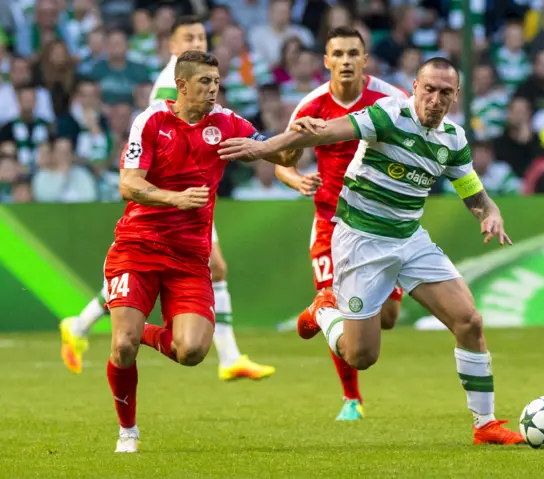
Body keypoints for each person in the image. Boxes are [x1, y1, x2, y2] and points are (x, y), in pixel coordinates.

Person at [219, 57, 526, 445]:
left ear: (456, 96)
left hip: (410, 239)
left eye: (445, 92)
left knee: (470, 322)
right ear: (414, 87)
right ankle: (323, 310)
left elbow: (475, 195)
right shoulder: (387, 116)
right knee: (360, 356)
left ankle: (485, 425)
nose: (435, 99)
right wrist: (260, 148)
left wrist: (491, 214)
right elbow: (321, 133)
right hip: (361, 242)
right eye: (428, 89)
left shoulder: (453, 139)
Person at [59, 16, 275, 381]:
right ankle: (228, 355)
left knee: (202, 270)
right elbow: (170, 133)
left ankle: (82, 324)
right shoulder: (169, 89)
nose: (199, 41)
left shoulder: (208, 88)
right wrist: (176, 195)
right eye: (189, 37)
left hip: (192, 196)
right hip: (171, 193)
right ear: (173, 49)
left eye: (202, 36)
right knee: (211, 266)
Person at [106, 51, 291, 453]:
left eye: (216, 82)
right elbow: (128, 184)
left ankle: (137, 330)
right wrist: (175, 199)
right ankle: (128, 431)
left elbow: (281, 153)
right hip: (138, 246)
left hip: (189, 258)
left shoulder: (226, 123)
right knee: (123, 346)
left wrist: (292, 140)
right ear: (183, 85)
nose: (212, 89)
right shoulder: (152, 120)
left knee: (191, 352)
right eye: (204, 82)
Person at [275, 26, 408, 421]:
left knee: (386, 318)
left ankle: (319, 311)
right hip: (330, 223)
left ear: (366, 60)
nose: (347, 60)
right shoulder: (312, 106)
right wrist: (296, 179)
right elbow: (283, 160)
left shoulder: (391, 99)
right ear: (326, 61)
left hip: (380, 223)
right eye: (339, 53)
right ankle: (351, 398)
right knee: (347, 313)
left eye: (354, 53)